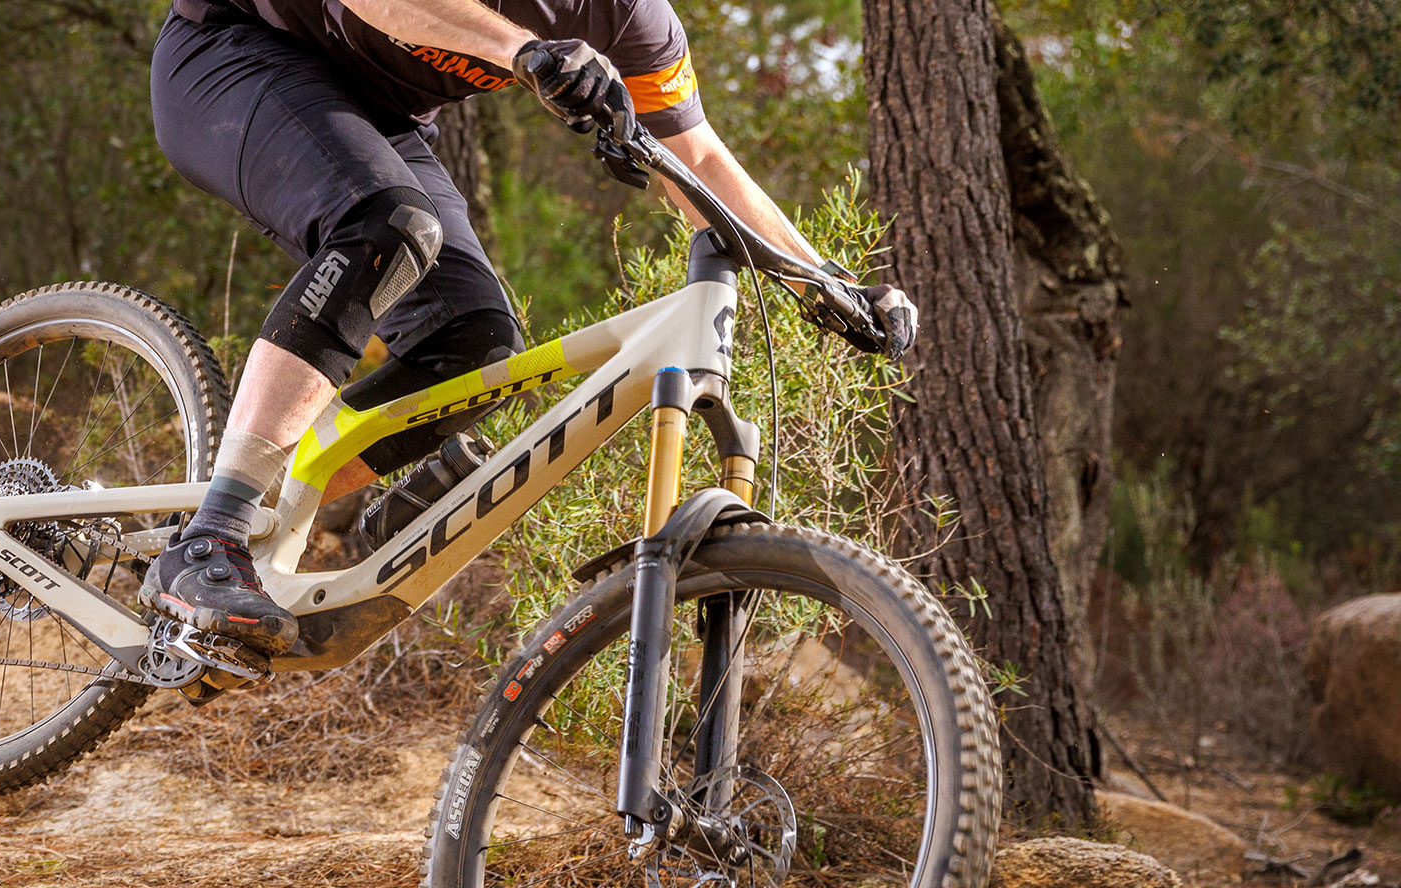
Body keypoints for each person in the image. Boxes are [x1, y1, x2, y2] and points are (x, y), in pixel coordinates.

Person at [141, 0, 916, 654]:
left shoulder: (634, 18)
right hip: (234, 53)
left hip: (374, 111)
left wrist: (830, 285)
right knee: (389, 224)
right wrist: (522, 50)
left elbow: (701, 160)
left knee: (472, 343)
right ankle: (212, 538)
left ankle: (274, 505)